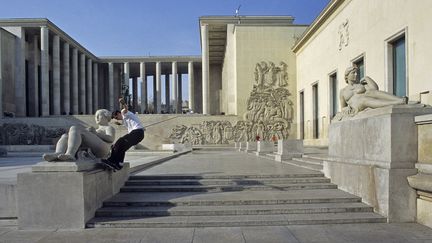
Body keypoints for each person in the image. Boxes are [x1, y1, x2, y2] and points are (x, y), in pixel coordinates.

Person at [43, 109, 115, 162]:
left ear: (106, 116)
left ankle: (70, 154)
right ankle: (58, 152)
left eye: (99, 115)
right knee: (65, 136)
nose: (96, 118)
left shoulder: (109, 127)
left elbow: (111, 138)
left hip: (104, 149)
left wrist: (96, 134)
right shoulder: (96, 129)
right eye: (96, 116)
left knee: (75, 128)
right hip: (96, 147)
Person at [339, 66, 407, 114]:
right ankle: (397, 102)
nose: (356, 74)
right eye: (353, 73)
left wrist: (367, 78)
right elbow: (342, 107)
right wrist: (345, 109)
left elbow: (375, 89)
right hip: (356, 106)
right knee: (364, 99)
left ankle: (400, 99)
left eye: (357, 73)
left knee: (371, 92)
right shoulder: (343, 91)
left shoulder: (360, 85)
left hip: (364, 99)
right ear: (347, 75)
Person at [101, 97, 145, 170]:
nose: (117, 119)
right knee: (122, 148)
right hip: (138, 134)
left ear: (118, 113)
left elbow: (126, 108)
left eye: (116, 117)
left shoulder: (123, 113)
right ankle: (118, 164)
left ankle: (111, 160)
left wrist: (123, 102)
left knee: (119, 142)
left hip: (137, 133)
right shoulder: (125, 120)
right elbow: (129, 122)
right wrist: (119, 124)